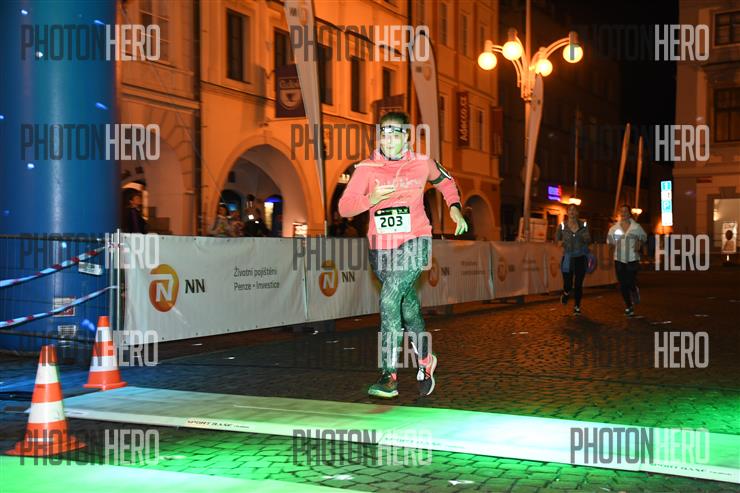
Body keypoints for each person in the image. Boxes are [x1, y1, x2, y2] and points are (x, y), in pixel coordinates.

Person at [338, 111, 468, 399]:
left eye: (394, 134)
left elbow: (446, 182)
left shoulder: (422, 163)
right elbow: (344, 207)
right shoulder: (367, 168)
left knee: (388, 298)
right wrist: (371, 199)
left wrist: (455, 208)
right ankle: (426, 359)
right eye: (383, 134)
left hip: (415, 242)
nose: (388, 139)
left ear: (407, 136)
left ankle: (388, 375)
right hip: (381, 248)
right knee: (407, 307)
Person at [607, 205, 647, 317]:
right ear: (620, 213)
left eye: (626, 211)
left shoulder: (636, 227)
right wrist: (609, 256)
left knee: (630, 282)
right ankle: (629, 306)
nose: (623, 213)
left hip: (632, 258)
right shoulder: (614, 229)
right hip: (619, 259)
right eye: (622, 211)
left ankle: (634, 290)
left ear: (629, 213)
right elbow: (610, 243)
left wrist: (640, 242)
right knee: (622, 284)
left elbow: (644, 237)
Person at [556, 204, 591, 314]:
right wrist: (559, 242)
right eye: (570, 210)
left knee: (578, 284)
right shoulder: (562, 226)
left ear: (577, 212)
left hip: (580, 257)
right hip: (568, 258)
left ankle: (577, 306)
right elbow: (557, 239)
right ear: (567, 212)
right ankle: (566, 293)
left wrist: (584, 238)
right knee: (568, 284)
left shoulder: (583, 225)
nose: (572, 212)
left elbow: (588, 239)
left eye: (574, 210)